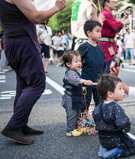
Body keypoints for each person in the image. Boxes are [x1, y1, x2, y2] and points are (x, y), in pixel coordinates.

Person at [0, 0, 66, 145]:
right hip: (22, 43)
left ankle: (20, 124)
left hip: (13, 41)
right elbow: (36, 17)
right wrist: (57, 8)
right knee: (37, 84)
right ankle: (13, 126)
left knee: (23, 85)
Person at [93, 75, 135, 158]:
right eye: (120, 88)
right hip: (114, 139)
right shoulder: (115, 108)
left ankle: (104, 148)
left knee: (109, 142)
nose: (123, 91)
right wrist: (127, 127)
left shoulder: (98, 107)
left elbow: (95, 118)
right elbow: (122, 123)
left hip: (102, 139)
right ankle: (118, 153)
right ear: (110, 94)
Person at [61, 50, 93, 136]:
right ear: (68, 64)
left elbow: (75, 84)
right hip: (70, 98)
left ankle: (76, 127)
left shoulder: (75, 72)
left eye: (80, 61)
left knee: (78, 113)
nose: (79, 63)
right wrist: (85, 81)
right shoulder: (70, 73)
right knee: (72, 114)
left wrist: (81, 88)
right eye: (76, 61)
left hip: (75, 97)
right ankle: (70, 130)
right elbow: (75, 80)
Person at [77, 20, 105, 110]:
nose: (100, 33)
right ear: (89, 33)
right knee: (85, 104)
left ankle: (99, 121)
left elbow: (102, 62)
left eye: (100, 31)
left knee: (100, 103)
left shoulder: (100, 47)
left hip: (98, 82)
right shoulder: (84, 47)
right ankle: (82, 122)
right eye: (97, 31)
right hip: (86, 82)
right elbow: (75, 60)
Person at [98, 0, 130, 74]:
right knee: (107, 67)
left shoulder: (106, 13)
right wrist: (125, 22)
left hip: (107, 43)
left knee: (108, 66)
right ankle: (104, 84)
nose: (114, 4)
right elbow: (117, 27)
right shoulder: (106, 13)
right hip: (105, 44)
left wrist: (124, 17)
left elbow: (115, 25)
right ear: (107, 3)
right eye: (113, 2)